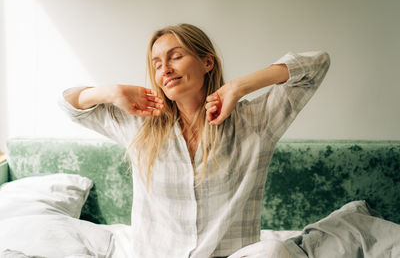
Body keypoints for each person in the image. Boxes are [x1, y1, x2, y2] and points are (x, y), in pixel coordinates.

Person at [60, 23, 330, 258]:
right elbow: (68, 103)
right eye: (156, 64)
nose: (165, 69)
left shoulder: (255, 122)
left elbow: (317, 63)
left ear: (207, 63)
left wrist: (240, 86)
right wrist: (112, 91)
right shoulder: (140, 124)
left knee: (273, 251)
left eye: (175, 57)